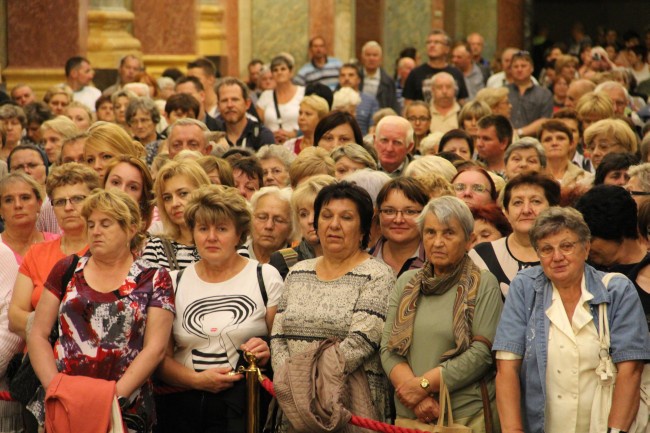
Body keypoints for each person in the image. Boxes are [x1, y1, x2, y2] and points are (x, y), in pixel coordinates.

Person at [493, 206, 650, 433]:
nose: (557, 257)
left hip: (603, 424)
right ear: (538, 255)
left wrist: (615, 431)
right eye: (546, 249)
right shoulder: (525, 287)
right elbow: (506, 366)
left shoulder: (617, 289)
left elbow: (631, 368)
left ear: (586, 248)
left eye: (566, 246)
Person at [28, 189, 174, 430]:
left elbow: (155, 349)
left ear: (131, 228)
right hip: (63, 403)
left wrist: (113, 396)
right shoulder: (67, 268)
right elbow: (38, 334)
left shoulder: (154, 277)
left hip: (126, 408)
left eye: (106, 224)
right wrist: (54, 386)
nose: (95, 231)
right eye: (91, 224)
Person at [156, 185, 282, 433]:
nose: (211, 237)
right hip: (182, 408)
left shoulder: (265, 276)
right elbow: (160, 358)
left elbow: (281, 346)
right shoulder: (173, 281)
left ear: (239, 235)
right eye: (203, 228)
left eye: (221, 229)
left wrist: (267, 349)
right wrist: (196, 380)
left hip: (244, 407)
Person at [271, 181, 394, 431]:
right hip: (295, 404)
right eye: (326, 216)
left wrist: (307, 382)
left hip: (350, 403)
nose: (334, 225)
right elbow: (278, 334)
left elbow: (362, 340)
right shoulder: (297, 272)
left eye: (346, 217)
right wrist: (289, 381)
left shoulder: (378, 275)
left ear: (363, 229)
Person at [381, 195, 502, 431]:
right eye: (430, 232)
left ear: (469, 240)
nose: (437, 242)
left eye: (448, 233)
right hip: (411, 413)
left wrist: (423, 386)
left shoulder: (484, 283)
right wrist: (416, 395)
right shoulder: (407, 281)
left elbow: (482, 354)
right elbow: (388, 348)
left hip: (464, 416)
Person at [9, 163, 98, 344]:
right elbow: (15, 316)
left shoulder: (104, 252)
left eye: (77, 199)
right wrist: (54, 328)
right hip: (38, 354)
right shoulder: (36, 252)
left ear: (95, 201)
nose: (68, 207)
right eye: (60, 202)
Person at [470, 172, 560, 296]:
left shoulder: (566, 256)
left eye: (536, 201)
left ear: (553, 209)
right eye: (518, 203)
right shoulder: (482, 256)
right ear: (506, 212)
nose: (526, 210)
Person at [142, 160, 210, 270]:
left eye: (183, 194)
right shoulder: (157, 248)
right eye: (167, 198)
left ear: (203, 192)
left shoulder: (223, 242)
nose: (174, 204)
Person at [269, 175, 336, 279]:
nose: (310, 220)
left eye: (318, 212)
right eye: (303, 214)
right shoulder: (283, 260)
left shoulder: (356, 261)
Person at [370, 177, 428, 277]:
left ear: (425, 214)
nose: (398, 220)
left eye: (409, 211)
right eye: (389, 211)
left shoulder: (437, 262)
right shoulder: (362, 262)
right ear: (378, 214)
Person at [0, 173, 59, 264]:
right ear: (0, 210)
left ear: (39, 204)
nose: (18, 205)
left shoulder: (58, 244)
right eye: (8, 200)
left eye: (25, 198)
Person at [403, 29, 469, 105]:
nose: (432, 45)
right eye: (429, 42)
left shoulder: (456, 73)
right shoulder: (415, 74)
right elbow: (407, 105)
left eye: (437, 42)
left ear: (447, 49)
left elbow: (462, 103)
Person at [215, 77, 275, 150]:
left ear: (247, 104)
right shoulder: (213, 136)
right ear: (218, 106)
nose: (229, 105)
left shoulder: (262, 135)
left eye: (235, 99)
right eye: (224, 100)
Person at [257, 55, 305, 144]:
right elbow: (257, 125)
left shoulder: (302, 93)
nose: (279, 72)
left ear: (291, 72)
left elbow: (312, 120)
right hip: (272, 144)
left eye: (283, 69)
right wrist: (270, 135)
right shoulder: (266, 96)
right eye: (275, 70)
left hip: (297, 143)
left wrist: (295, 134)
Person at [507, 51, 553, 137]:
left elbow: (545, 120)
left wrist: (519, 132)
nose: (519, 69)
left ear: (532, 68)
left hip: (533, 142)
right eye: (515, 66)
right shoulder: (503, 92)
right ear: (510, 70)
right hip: (506, 140)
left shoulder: (544, 94)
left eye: (523, 66)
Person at [241, 187, 293, 264]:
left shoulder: (298, 264)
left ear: (291, 227)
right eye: (262, 217)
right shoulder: (233, 256)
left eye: (279, 220)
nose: (269, 226)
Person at [103, 156, 155, 231]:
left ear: (142, 198)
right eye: (115, 182)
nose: (122, 191)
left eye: (132, 187)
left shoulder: (153, 242)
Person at [538, 119, 593, 188]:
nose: (554, 143)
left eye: (560, 138)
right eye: (548, 139)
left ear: (571, 144)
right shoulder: (532, 178)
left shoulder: (586, 178)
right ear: (540, 145)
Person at [359, 41, 400, 112]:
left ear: (381, 58)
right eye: (368, 55)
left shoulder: (388, 81)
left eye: (375, 55)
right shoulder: (355, 76)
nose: (371, 58)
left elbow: (393, 106)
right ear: (362, 57)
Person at [126, 97, 162, 166]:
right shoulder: (127, 148)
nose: (139, 126)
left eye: (144, 120)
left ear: (155, 120)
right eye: (134, 121)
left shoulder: (165, 145)